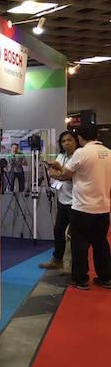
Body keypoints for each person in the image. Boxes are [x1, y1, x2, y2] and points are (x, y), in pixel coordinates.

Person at [49, 123, 111, 290]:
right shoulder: (109, 152)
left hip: (83, 207)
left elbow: (65, 174)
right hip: (103, 207)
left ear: (80, 138)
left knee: (80, 244)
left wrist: (57, 170)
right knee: (101, 243)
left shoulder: (81, 153)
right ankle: (106, 278)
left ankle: (80, 279)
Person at [39, 131, 79, 270]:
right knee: (58, 230)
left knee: (75, 235)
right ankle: (57, 260)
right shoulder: (61, 156)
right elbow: (51, 173)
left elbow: (74, 177)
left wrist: (61, 173)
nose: (66, 143)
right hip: (62, 200)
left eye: (69, 140)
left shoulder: (79, 156)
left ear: (76, 141)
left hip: (76, 202)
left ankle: (75, 265)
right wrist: (63, 174)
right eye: (63, 141)